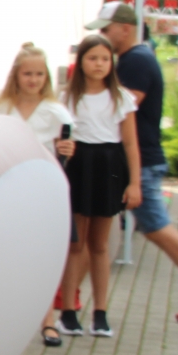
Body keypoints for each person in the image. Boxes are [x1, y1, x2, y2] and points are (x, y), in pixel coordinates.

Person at [89, 0, 178, 327]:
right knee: (97, 227)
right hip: (137, 158)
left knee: (157, 228)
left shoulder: (135, 61)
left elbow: (120, 107)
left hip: (142, 159)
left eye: (106, 30)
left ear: (125, 29)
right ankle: (69, 298)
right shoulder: (134, 59)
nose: (102, 36)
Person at [0, 44, 75, 345]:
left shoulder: (56, 111)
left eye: (39, 74)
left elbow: (67, 146)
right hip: (9, 189)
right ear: (16, 75)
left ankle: (47, 319)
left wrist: (68, 149)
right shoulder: (1, 109)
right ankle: (5, 316)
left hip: (42, 190)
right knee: (8, 254)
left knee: (41, 256)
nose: (33, 80)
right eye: (27, 74)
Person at [59, 34, 141, 338]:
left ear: (112, 63)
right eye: (92, 58)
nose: (99, 64)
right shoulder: (68, 97)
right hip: (79, 166)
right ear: (81, 62)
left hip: (109, 167)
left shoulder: (121, 98)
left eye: (105, 59)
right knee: (75, 243)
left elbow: (130, 144)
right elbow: (59, 135)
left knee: (100, 245)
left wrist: (135, 183)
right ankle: (68, 311)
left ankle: (101, 313)